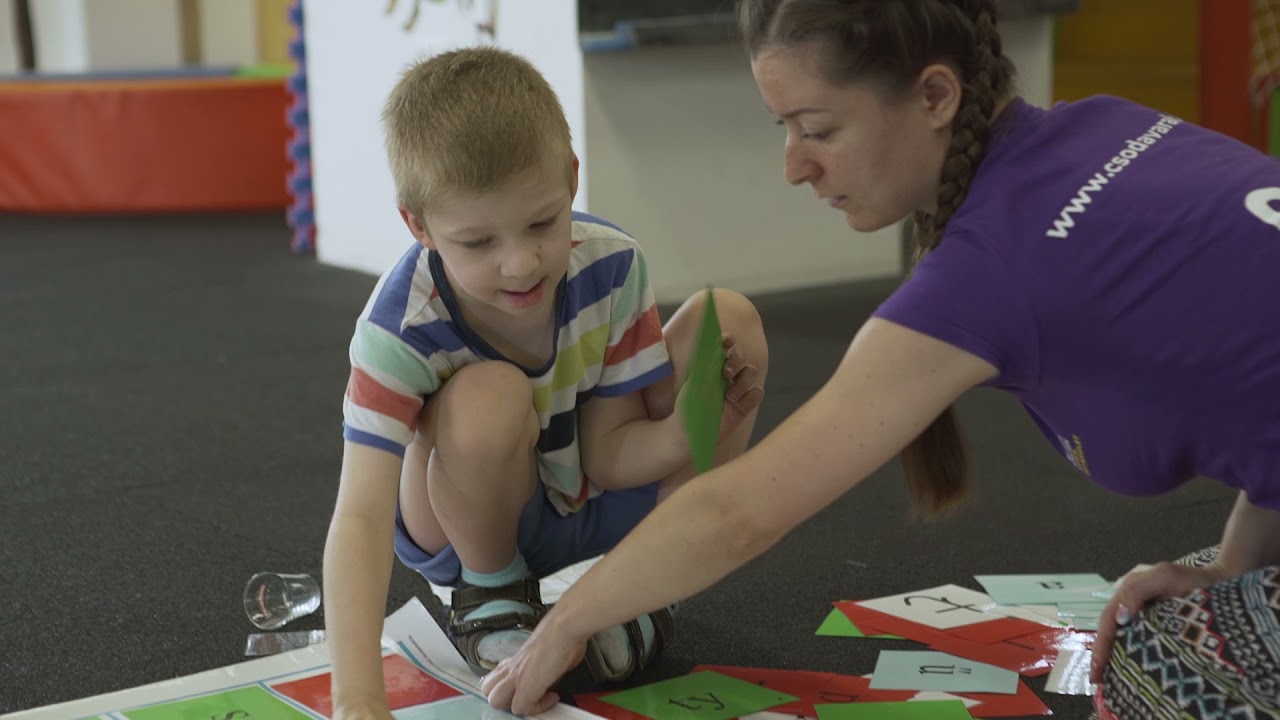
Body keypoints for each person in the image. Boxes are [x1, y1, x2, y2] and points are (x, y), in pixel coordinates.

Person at [478, 1, 1280, 718]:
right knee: (1174, 607)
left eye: (818, 129)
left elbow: (739, 512)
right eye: (783, 129)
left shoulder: (991, 269)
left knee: (1150, 666)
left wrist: (565, 623)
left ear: (935, 96)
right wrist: (1237, 564)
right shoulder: (1104, 124)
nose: (794, 165)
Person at [321, 47, 769, 720]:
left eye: (542, 222)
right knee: (486, 395)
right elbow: (359, 515)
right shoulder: (398, 327)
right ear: (419, 227)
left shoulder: (612, 266)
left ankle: (648, 579)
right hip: (466, 518)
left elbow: (614, 452)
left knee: (728, 319)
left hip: (590, 489)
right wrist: (358, 700)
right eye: (476, 243)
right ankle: (493, 591)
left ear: (571, 178)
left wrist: (693, 427)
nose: (521, 263)